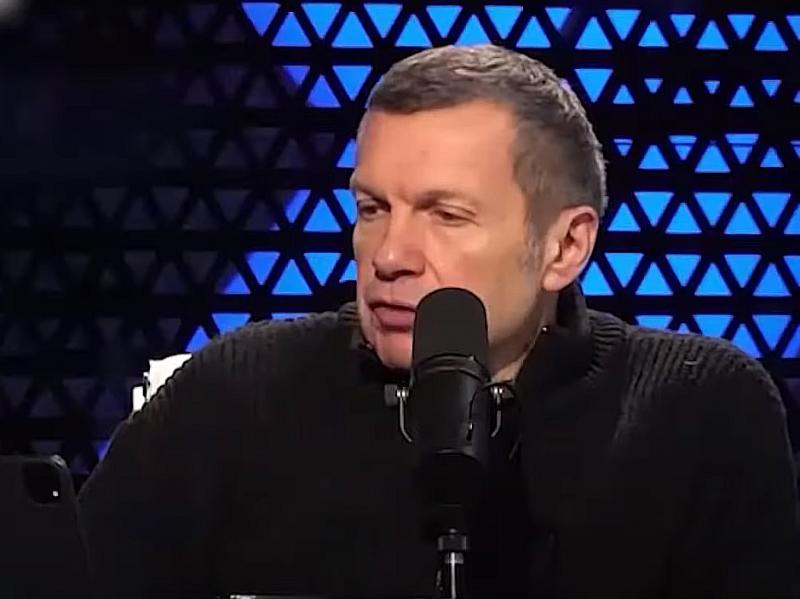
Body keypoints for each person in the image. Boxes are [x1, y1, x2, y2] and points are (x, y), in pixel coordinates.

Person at [78, 44, 800, 598]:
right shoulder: (237, 393)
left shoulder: (697, 408)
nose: (390, 255)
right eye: (372, 209)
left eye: (446, 215)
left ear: (565, 247)